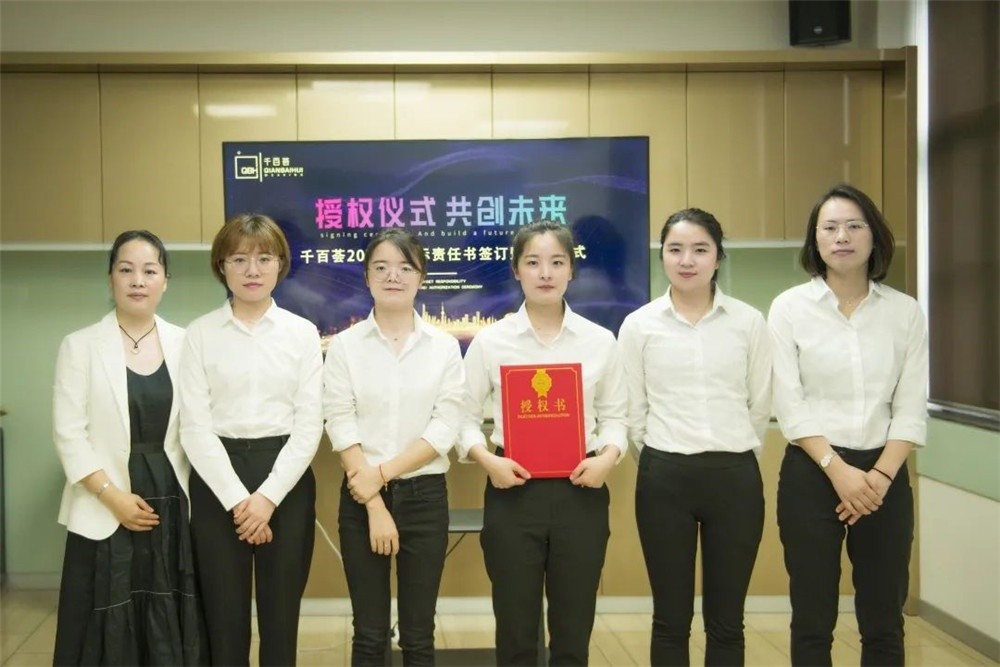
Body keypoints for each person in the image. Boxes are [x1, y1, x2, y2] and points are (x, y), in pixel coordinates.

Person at [768, 184, 928, 666]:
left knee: (884, 619)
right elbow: (789, 402)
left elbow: (910, 404)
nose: (842, 237)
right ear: (815, 239)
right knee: (812, 617)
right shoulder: (789, 308)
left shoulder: (904, 312)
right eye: (830, 227)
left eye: (854, 226)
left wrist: (878, 477)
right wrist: (837, 470)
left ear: (874, 236)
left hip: (885, 475)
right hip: (812, 471)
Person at [459, 219, 628, 666]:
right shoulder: (490, 342)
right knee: (515, 627)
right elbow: (463, 418)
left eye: (557, 262)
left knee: (573, 628)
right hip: (512, 492)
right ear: (516, 270)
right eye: (533, 262)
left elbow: (616, 417)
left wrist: (608, 457)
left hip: (582, 490)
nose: (546, 273)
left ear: (572, 269)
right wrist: (486, 460)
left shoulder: (599, 341)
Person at [618, 208, 771, 666]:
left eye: (700, 250)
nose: (687, 260)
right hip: (665, 478)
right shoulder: (639, 325)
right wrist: (660, 458)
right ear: (662, 256)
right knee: (670, 618)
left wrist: (733, 446)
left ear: (718, 257)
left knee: (727, 621)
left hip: (735, 477)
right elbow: (634, 412)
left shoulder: (748, 322)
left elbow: (759, 403)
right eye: (676, 249)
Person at [52, 230, 207, 665]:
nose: (138, 280)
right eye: (126, 270)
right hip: (103, 500)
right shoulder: (79, 345)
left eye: (149, 270)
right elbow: (69, 434)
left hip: (172, 501)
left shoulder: (187, 343)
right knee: (106, 615)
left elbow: (200, 426)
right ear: (111, 279)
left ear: (165, 281)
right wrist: (112, 497)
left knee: (169, 612)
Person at [178, 213, 323, 666]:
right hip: (217, 480)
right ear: (222, 266)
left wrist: (267, 498)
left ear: (281, 264)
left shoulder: (302, 333)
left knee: (282, 615)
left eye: (264, 259)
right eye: (239, 259)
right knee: (224, 616)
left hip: (285, 480)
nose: (252, 270)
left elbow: (309, 425)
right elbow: (194, 426)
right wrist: (239, 501)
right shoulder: (200, 334)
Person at [323, 229, 465, 666]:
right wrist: (373, 500)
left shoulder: (443, 347)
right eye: (381, 267)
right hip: (360, 498)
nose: (393, 276)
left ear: (421, 277)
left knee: (419, 635)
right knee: (368, 635)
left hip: (425, 498)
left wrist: (381, 475)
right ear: (367, 276)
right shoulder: (345, 346)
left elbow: (444, 428)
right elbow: (340, 421)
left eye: (405, 267)